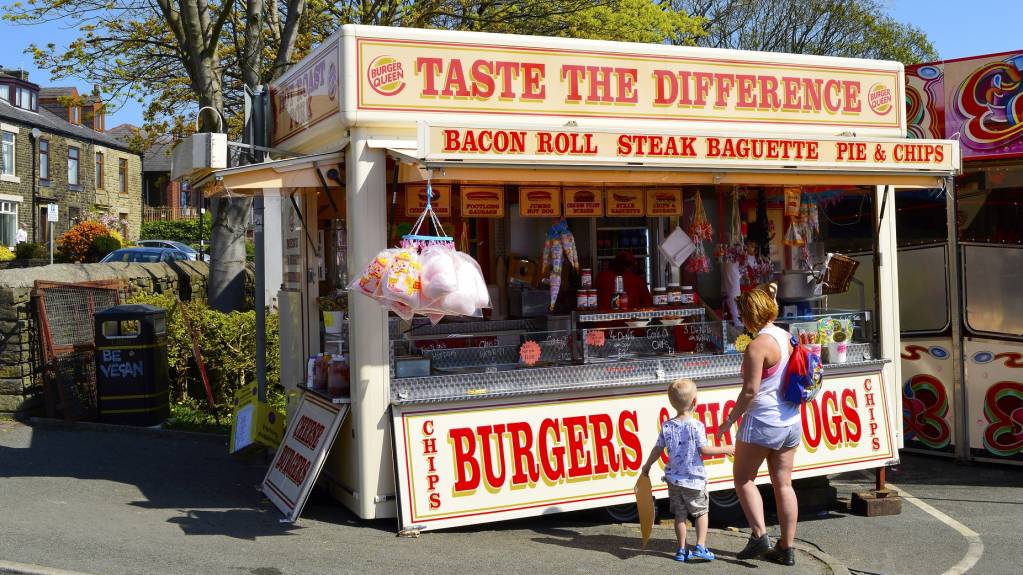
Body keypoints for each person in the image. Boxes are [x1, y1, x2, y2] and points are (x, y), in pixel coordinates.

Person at [715, 283, 799, 566]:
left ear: (749, 314)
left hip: (763, 421)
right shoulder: (787, 337)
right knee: (783, 484)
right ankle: (787, 548)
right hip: (791, 421)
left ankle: (759, 535)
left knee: (743, 479)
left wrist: (728, 421)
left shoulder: (757, 346)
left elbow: (750, 391)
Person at [641, 378, 735, 563]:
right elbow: (705, 450)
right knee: (701, 513)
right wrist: (726, 448)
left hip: (674, 481)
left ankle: (681, 549)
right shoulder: (697, 426)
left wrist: (647, 466)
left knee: (680, 516)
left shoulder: (667, 426)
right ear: (695, 402)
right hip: (694, 480)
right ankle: (700, 546)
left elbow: (657, 449)